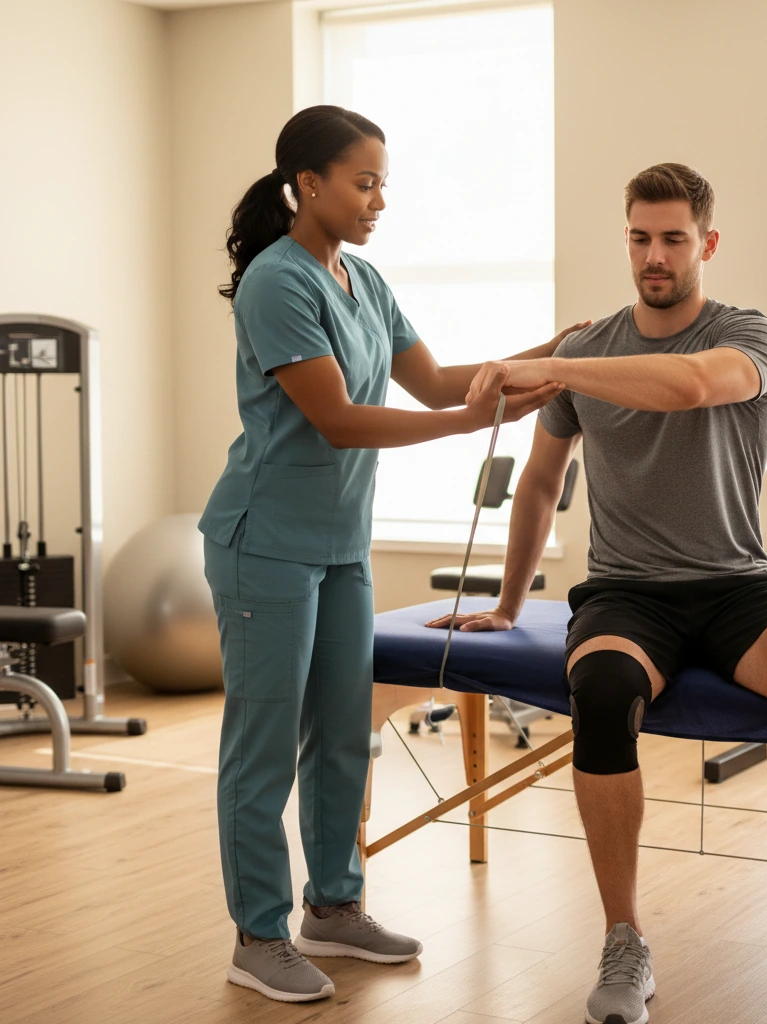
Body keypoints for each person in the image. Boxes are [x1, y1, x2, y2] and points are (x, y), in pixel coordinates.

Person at [428, 163, 767, 1024]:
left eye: (674, 238)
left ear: (706, 244)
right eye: (640, 237)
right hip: (628, 595)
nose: (655, 256)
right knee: (600, 692)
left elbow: (689, 387)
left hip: (738, 586)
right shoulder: (587, 347)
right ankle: (624, 939)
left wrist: (563, 367)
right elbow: (537, 484)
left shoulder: (750, 334)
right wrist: (509, 604)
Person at [199, 104, 584, 1004]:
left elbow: (443, 380)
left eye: (384, 184)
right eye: (364, 182)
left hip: (339, 547)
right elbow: (338, 421)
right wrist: (473, 420)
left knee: (344, 735)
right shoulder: (275, 281)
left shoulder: (362, 281)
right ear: (309, 185)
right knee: (262, 748)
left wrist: (559, 355)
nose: (379, 200)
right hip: (265, 546)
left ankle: (332, 910)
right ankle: (256, 935)